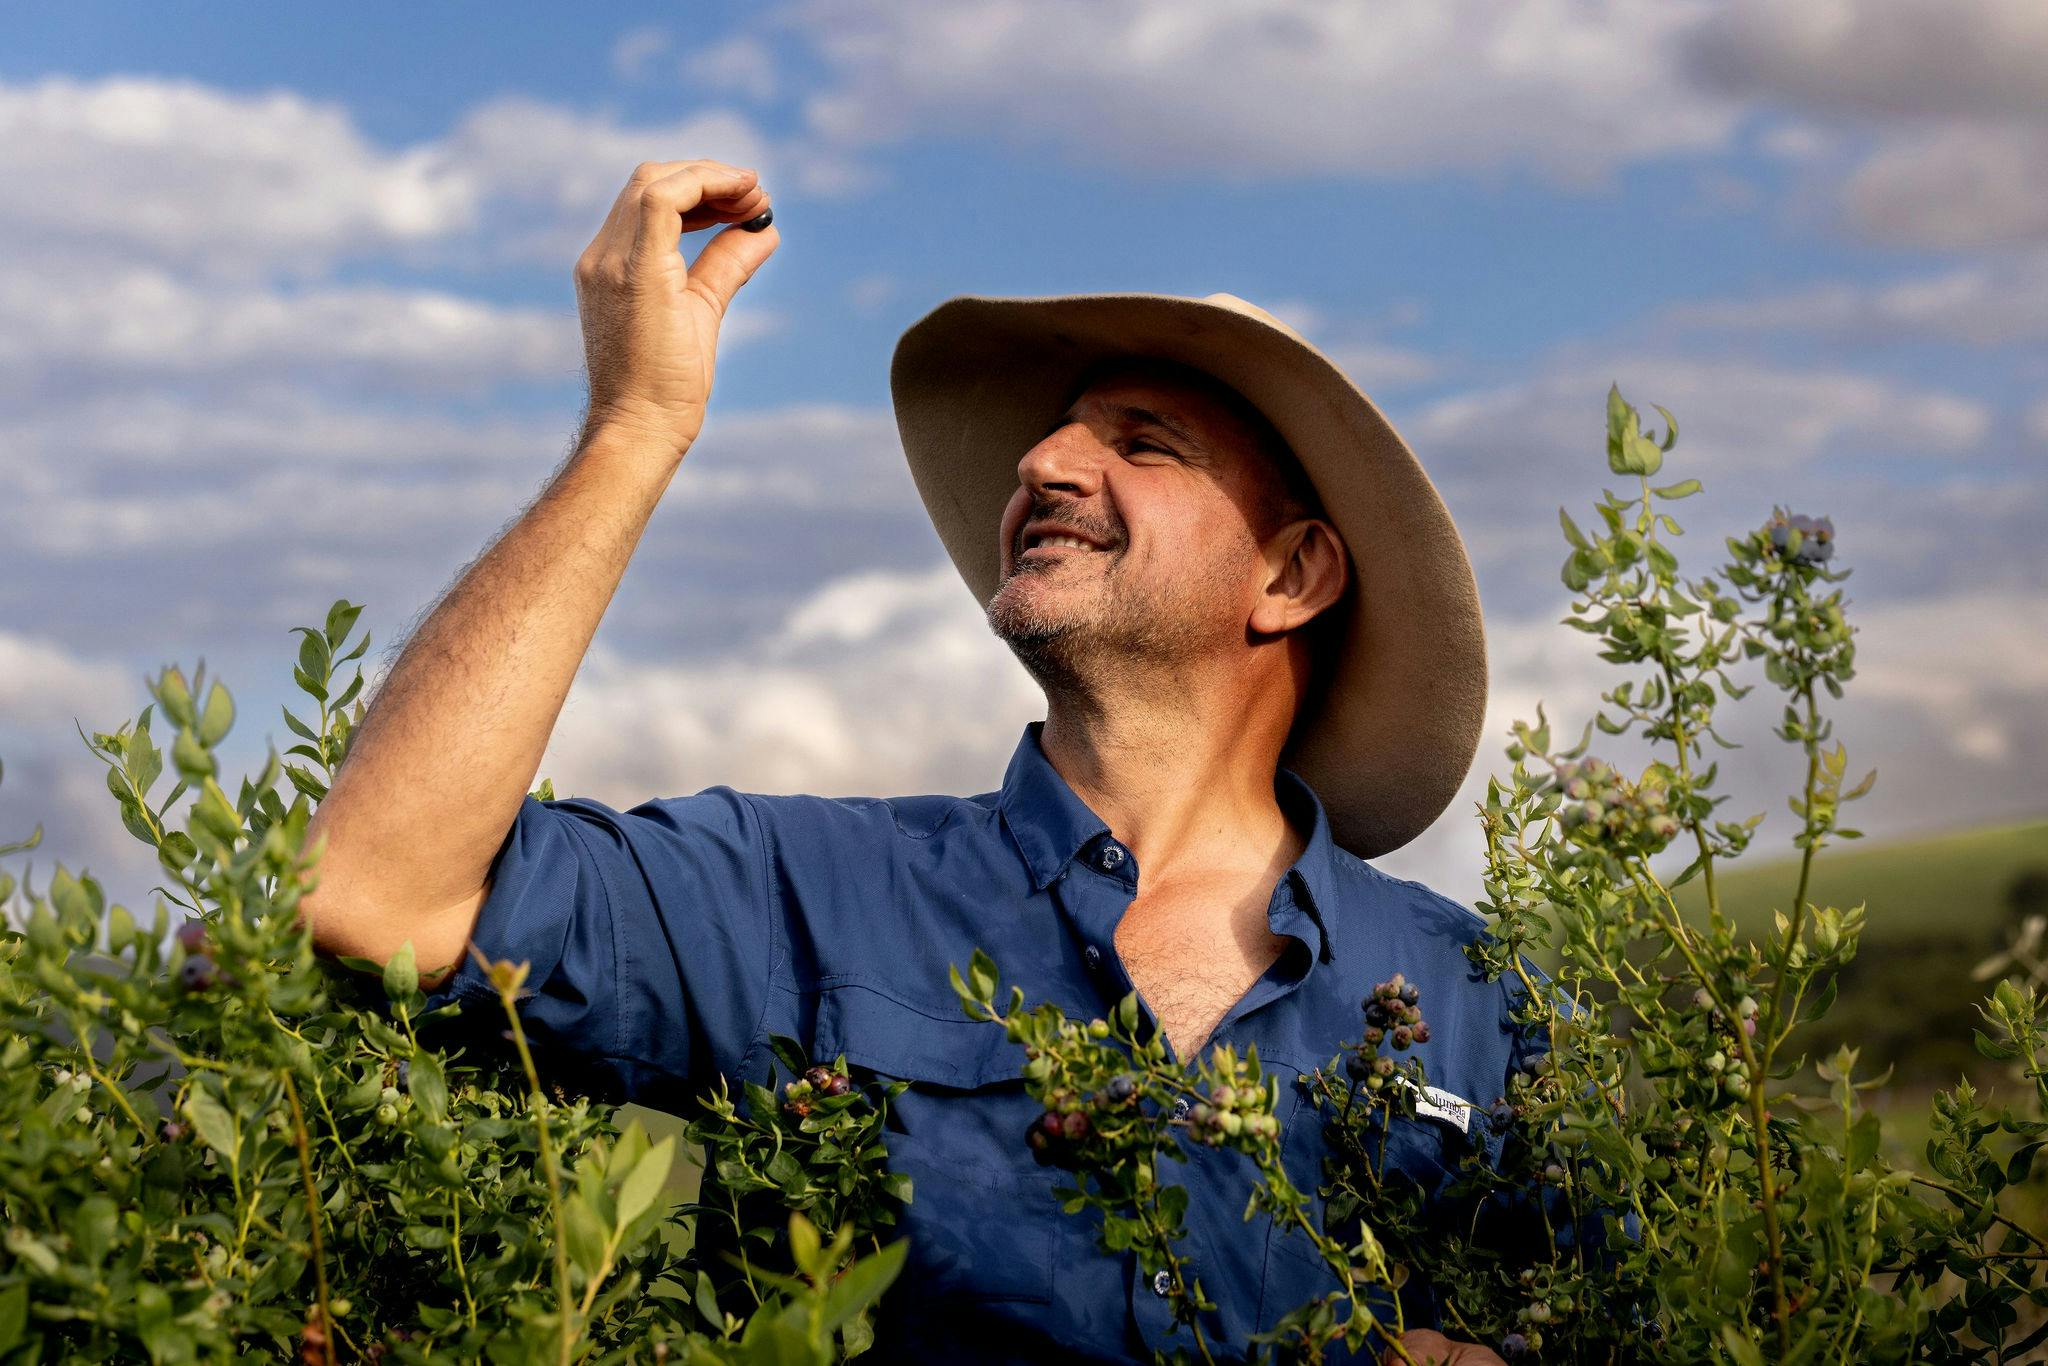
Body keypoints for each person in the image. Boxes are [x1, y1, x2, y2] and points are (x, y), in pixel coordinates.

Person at [301, 158, 1522, 1365]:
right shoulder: (796, 892)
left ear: (1290, 575)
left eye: (1145, 444)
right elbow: (376, 895)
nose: (1042, 464)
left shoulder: (1482, 1004)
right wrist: (634, 426)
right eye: (1048, 439)